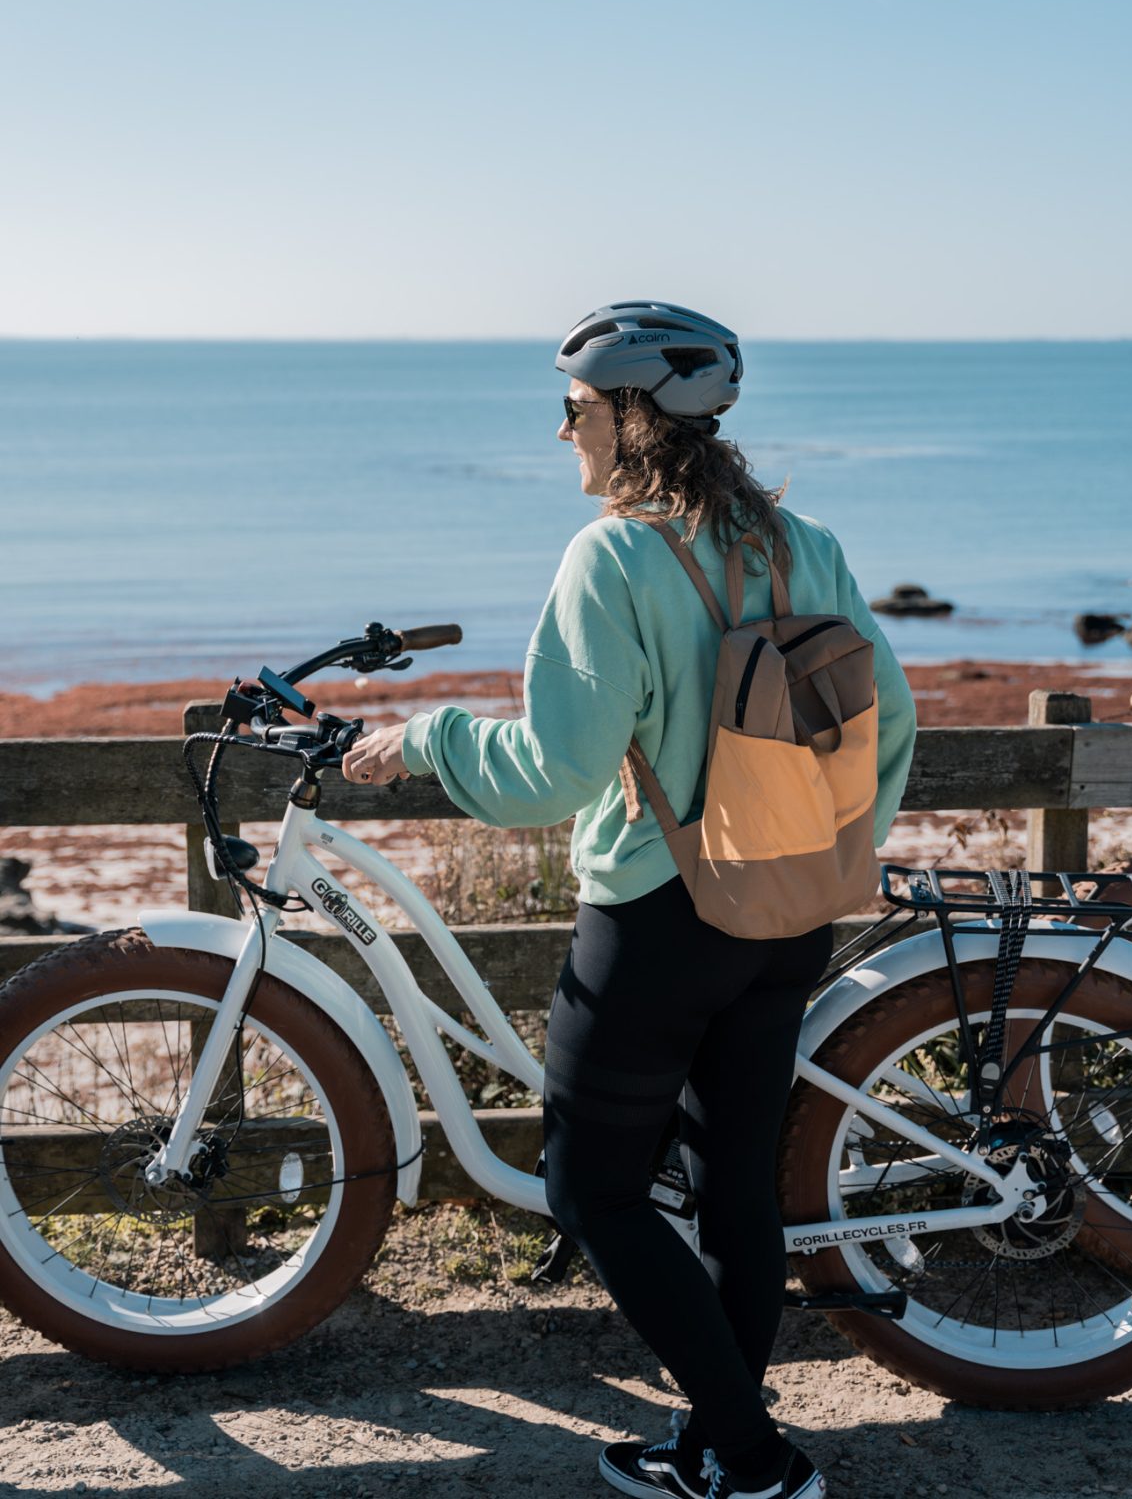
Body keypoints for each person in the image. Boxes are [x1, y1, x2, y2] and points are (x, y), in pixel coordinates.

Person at [343, 303, 918, 1499]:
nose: (562, 433)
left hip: (662, 915)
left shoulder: (611, 560)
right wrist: (824, 843)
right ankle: (720, 1446)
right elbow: (893, 722)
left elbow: (551, 774)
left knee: (592, 1187)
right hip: (789, 908)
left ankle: (754, 1458)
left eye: (575, 409)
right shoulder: (805, 542)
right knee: (736, 1187)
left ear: (634, 417)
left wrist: (426, 735)